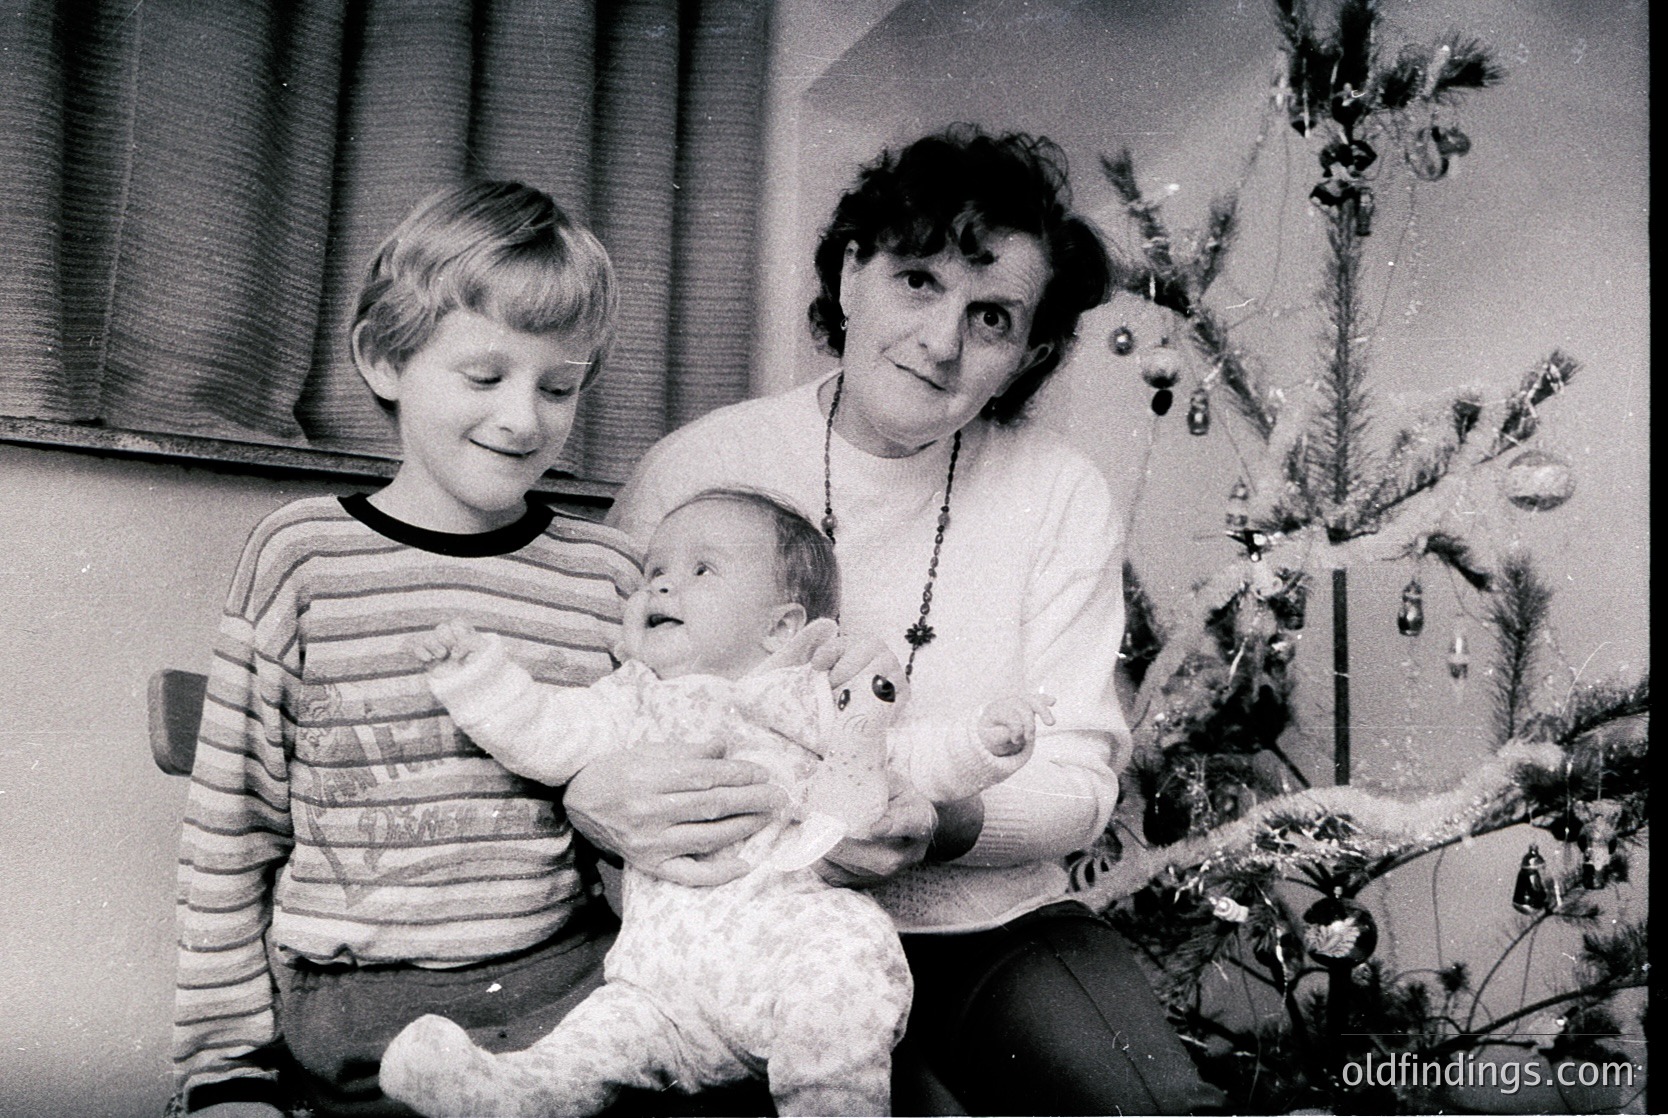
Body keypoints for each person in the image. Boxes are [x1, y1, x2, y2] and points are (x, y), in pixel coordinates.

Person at [592, 126, 1228, 1115]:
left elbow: (1076, 781)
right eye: (918, 281)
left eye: (992, 317)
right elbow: (596, 714)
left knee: (1147, 1103)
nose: (942, 341)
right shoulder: (699, 467)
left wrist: (942, 821)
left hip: (993, 926)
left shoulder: (1059, 492)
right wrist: (606, 801)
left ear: (1025, 356)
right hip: (752, 931)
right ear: (851, 273)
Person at [170, 180, 655, 1118]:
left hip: (578, 982)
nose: (524, 418)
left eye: (560, 387)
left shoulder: (613, 576)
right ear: (385, 360)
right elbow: (230, 834)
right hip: (363, 1008)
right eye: (485, 377)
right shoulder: (300, 558)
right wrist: (223, 1071)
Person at [378, 488, 1055, 1116]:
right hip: (660, 985)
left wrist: (985, 740)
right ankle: (502, 1092)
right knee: (592, 1046)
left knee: (846, 975)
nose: (662, 584)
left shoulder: (806, 697)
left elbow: (907, 760)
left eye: (701, 571)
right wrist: (473, 675)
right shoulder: (630, 698)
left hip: (791, 943)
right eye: (654, 572)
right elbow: (541, 732)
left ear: (780, 626)